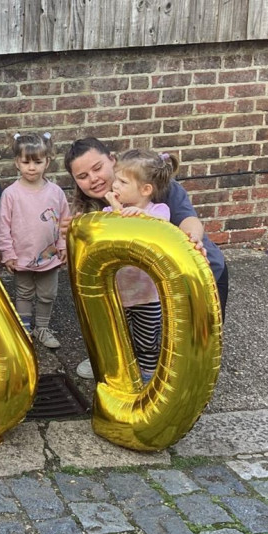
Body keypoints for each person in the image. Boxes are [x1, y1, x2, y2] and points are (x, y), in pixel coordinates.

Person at [64, 136, 229, 380]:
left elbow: (188, 219)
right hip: (135, 285)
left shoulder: (150, 183)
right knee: (126, 322)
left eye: (97, 168)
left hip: (198, 274)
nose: (93, 179)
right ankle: (110, 355)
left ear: (113, 160)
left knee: (189, 350)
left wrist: (192, 240)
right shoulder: (89, 208)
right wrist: (71, 236)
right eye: (83, 176)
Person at [101, 149, 180, 382]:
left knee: (147, 340)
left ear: (146, 190)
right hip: (119, 293)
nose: (115, 185)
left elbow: (157, 230)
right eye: (115, 179)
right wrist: (117, 210)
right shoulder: (108, 212)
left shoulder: (158, 212)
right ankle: (123, 374)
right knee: (119, 337)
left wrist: (139, 218)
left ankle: (147, 376)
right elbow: (110, 234)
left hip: (147, 295)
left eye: (123, 181)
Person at [0, 132, 70, 350]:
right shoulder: (11, 194)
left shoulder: (56, 192)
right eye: (26, 162)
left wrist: (63, 245)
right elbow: (3, 226)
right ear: (17, 162)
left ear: (47, 161)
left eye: (37, 162)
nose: (31, 167)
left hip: (49, 256)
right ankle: (24, 327)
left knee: (48, 294)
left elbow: (65, 222)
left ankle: (43, 328)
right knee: (24, 293)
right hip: (22, 255)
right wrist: (8, 253)